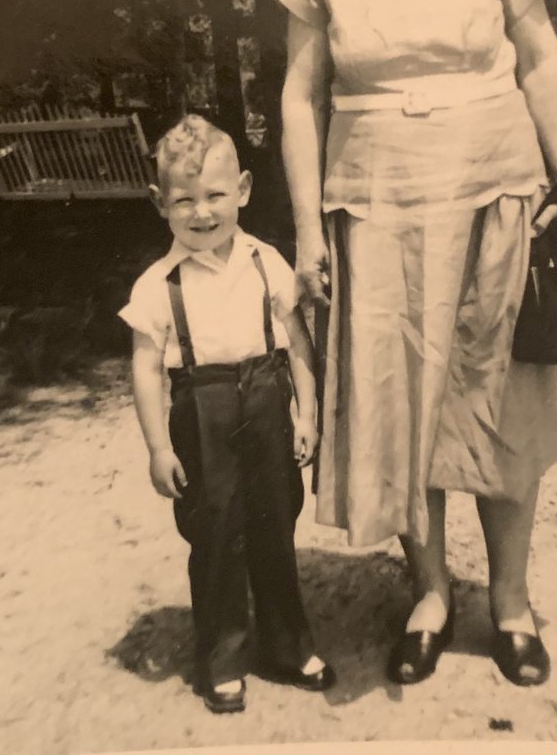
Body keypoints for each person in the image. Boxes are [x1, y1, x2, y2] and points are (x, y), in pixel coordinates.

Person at [258, 0, 557, 688]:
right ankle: (433, 593)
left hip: (496, 193)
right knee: (400, 405)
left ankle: (514, 605)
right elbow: (295, 97)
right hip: (375, 204)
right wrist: (308, 229)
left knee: (498, 401)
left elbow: (540, 60)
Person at [120, 114, 335, 714]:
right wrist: (159, 447)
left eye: (216, 195)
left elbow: (297, 344)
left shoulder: (266, 260)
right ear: (159, 203)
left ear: (242, 189)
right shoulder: (157, 284)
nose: (202, 213)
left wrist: (306, 415)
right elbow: (144, 369)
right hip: (202, 412)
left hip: (266, 402)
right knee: (215, 536)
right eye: (184, 200)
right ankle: (221, 656)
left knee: (274, 525)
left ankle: (287, 646)